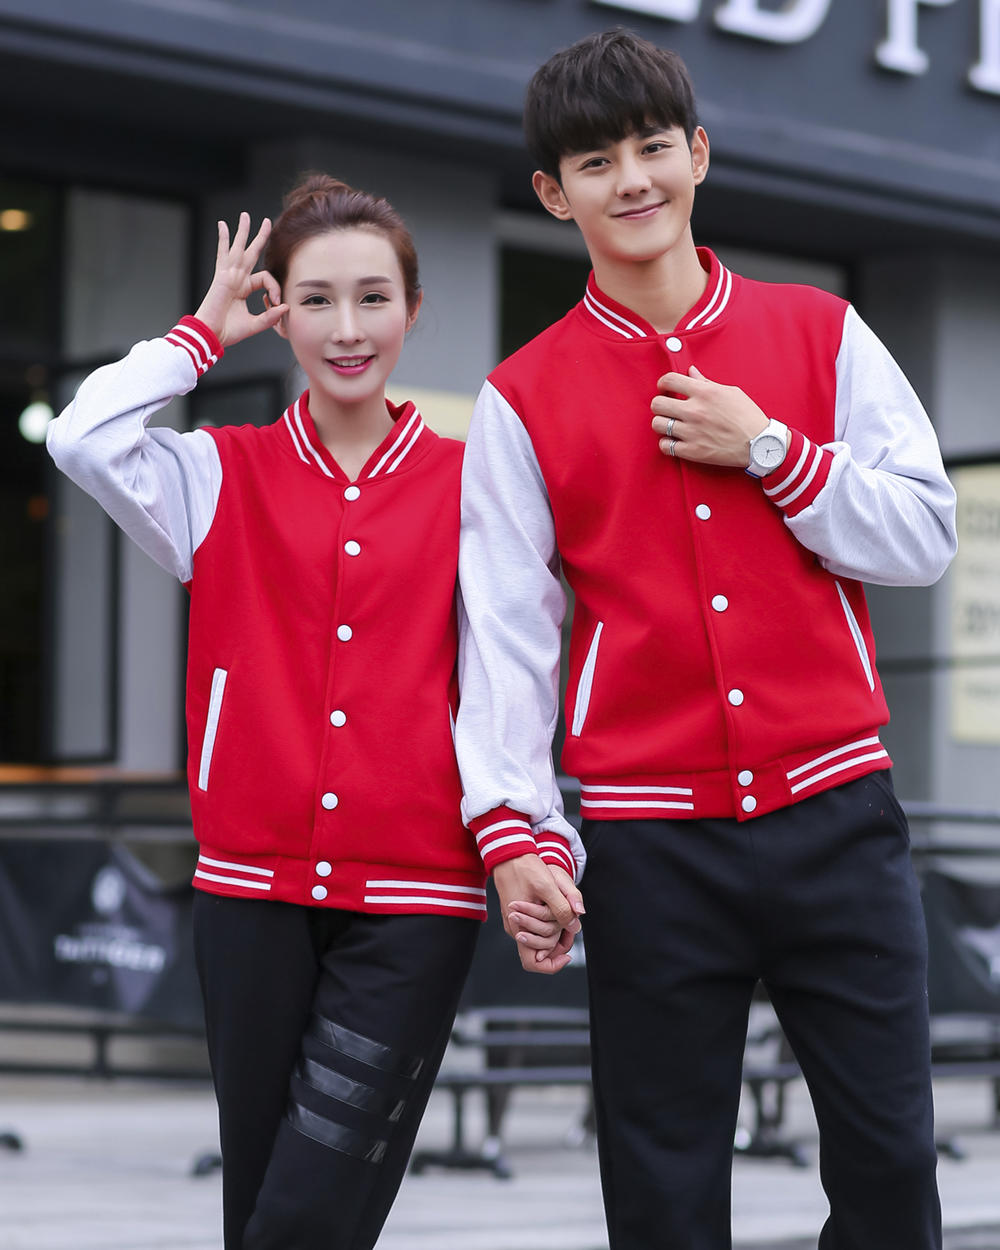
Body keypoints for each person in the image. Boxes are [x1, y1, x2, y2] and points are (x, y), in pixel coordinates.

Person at [455, 28, 956, 1250]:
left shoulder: (822, 332)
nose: (631, 180)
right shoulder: (521, 397)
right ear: (553, 194)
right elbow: (507, 639)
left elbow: (924, 533)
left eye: (651, 147)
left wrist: (773, 450)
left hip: (836, 815)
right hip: (650, 844)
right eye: (595, 162)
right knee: (662, 1184)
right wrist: (516, 831)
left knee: (892, 1163)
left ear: (699, 154)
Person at [47, 175, 501, 1250]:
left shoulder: (474, 482)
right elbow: (80, 437)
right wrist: (198, 338)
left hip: (415, 899)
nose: (348, 329)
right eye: (317, 300)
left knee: (307, 1209)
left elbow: (505, 680)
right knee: (257, 1198)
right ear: (280, 312)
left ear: (414, 310)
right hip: (249, 893)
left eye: (374, 298)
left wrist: (523, 837)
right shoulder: (216, 471)